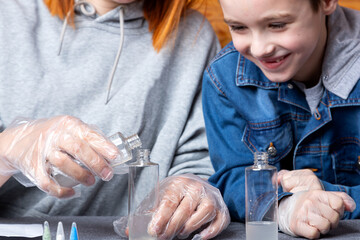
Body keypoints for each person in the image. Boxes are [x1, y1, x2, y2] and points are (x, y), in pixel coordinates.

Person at [0, 0, 230, 239]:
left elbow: (198, 163)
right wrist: (7, 149)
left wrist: (191, 190)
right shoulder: (8, 16)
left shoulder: (194, 36)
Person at [202, 0, 360, 238]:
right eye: (239, 27)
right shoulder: (222, 77)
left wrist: (326, 197)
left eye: (276, 25)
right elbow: (231, 176)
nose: (259, 48)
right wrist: (284, 207)